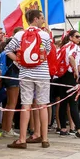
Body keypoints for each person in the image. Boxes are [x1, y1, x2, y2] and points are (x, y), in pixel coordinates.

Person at [5, 10, 52, 149]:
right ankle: (44, 139)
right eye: (42, 18)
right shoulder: (45, 35)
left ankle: (22, 139)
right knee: (43, 105)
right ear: (36, 19)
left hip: (25, 73)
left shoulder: (20, 34)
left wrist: (19, 61)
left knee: (26, 105)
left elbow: (7, 50)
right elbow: (47, 52)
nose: (43, 20)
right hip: (42, 73)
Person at [55, 30, 80, 138]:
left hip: (61, 76)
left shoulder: (63, 47)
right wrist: (76, 71)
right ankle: (79, 129)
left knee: (63, 102)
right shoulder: (74, 47)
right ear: (71, 37)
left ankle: (63, 128)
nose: (79, 39)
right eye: (77, 36)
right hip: (70, 75)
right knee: (73, 103)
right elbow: (71, 57)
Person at [1, 27, 24, 138]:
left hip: (8, 75)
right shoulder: (15, 46)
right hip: (13, 75)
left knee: (9, 103)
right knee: (12, 103)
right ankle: (8, 129)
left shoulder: (9, 43)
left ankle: (5, 127)